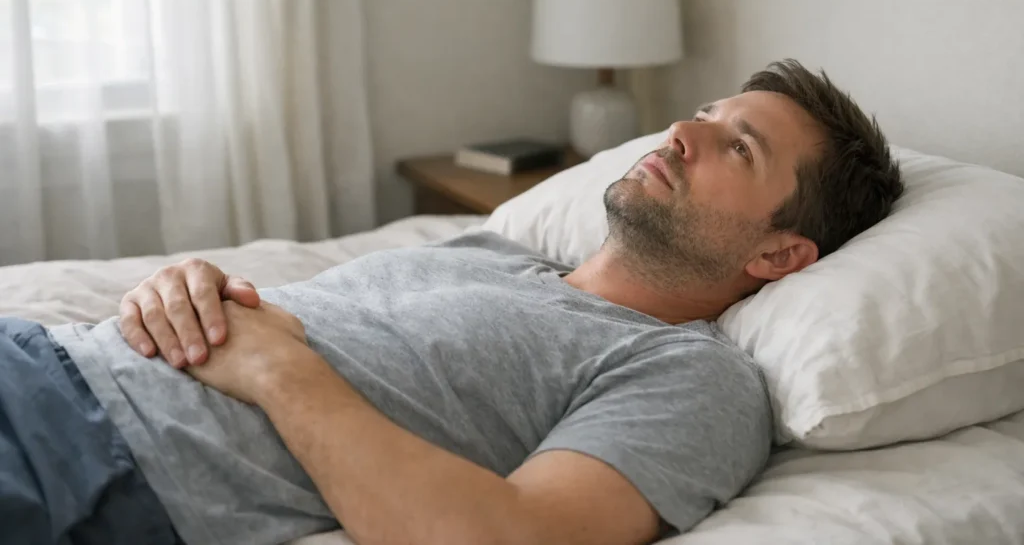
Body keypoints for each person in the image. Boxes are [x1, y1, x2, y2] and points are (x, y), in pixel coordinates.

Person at [1, 59, 904, 545]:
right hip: (40, 356)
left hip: (89, 462)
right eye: (705, 111)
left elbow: (513, 539)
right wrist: (177, 288)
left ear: (782, 252)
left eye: (737, 147)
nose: (682, 131)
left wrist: (279, 369)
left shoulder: (691, 376)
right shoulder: (489, 251)